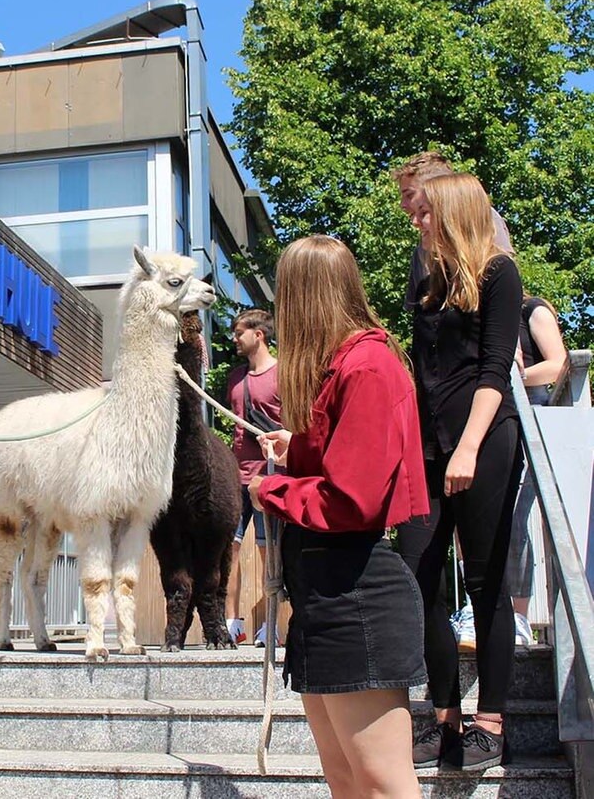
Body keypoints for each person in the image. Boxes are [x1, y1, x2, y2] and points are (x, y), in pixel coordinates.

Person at [251, 235, 428, 799]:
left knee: (380, 782)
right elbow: (339, 461)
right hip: (324, 589)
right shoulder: (345, 366)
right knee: (346, 779)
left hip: (357, 590)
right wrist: (296, 447)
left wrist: (271, 492)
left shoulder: (368, 365)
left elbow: (354, 500)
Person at [398, 173, 524, 771]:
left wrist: (469, 447)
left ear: (452, 212)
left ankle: (492, 722)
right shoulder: (427, 282)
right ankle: (443, 715)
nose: (417, 222)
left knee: (485, 583)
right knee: (416, 575)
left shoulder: (499, 273)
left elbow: (496, 370)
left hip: (484, 442)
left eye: (426, 213)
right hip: (426, 447)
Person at [508, 295, 568, 645]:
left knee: (516, 521)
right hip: (492, 424)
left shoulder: (531, 310)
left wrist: (511, 377)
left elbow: (559, 364)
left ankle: (518, 617)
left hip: (529, 423)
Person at [224, 309, 283, 648]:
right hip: (237, 475)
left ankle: (270, 626)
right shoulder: (234, 378)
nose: (235, 338)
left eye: (239, 332)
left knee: (267, 552)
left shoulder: (282, 374)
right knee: (228, 549)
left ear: (259, 334)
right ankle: (232, 622)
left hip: (270, 475)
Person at [392, 150, 513, 311]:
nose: (402, 204)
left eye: (409, 195)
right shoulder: (422, 249)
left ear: (438, 188)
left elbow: (504, 291)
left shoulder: (481, 218)